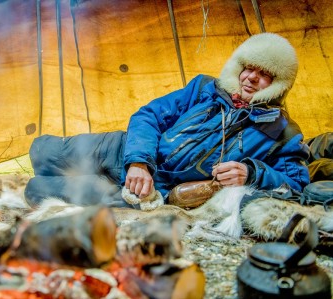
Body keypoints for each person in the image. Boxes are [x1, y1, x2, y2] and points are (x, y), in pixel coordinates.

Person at [24, 33, 310, 207]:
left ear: (278, 83)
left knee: (38, 190)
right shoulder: (204, 88)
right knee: (43, 152)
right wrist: (138, 162)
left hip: (152, 190)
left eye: (264, 74)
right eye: (249, 68)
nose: (251, 78)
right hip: (124, 149)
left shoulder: (282, 131)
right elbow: (148, 115)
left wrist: (252, 173)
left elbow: (296, 184)